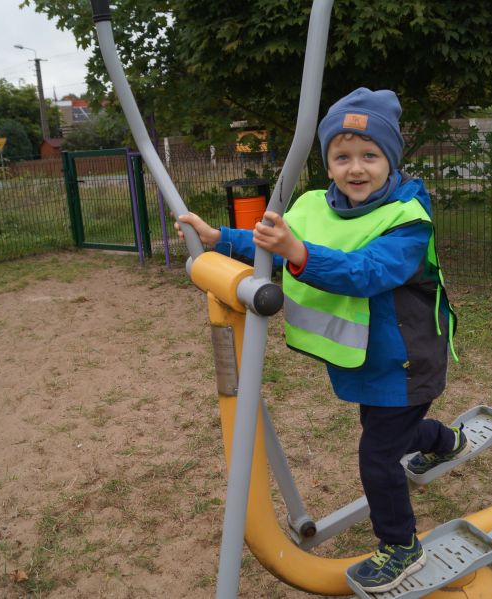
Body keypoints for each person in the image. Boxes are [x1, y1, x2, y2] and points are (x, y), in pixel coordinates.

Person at [177, 88, 466, 593]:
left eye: (370, 155)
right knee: (386, 432)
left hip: (406, 360)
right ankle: (446, 441)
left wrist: (300, 253)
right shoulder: (316, 206)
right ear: (328, 163)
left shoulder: (407, 221)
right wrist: (221, 238)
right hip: (367, 358)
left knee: (378, 456)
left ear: (391, 160)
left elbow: (366, 272)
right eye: (342, 156)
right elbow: (272, 243)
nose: (356, 168)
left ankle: (401, 545)